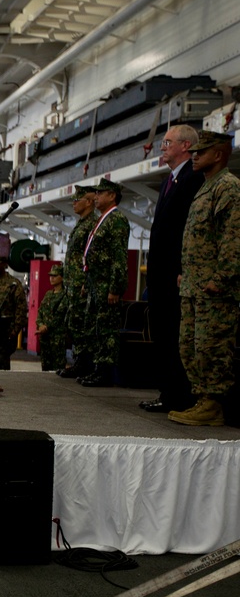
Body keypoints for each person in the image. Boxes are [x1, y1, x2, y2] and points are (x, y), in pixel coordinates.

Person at [168, 130, 240, 426]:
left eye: (202, 151)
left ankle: (213, 404)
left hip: (215, 290)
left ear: (219, 154)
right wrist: (187, 274)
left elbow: (233, 240)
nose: (194, 156)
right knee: (189, 345)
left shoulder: (229, 187)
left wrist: (220, 278)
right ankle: (203, 401)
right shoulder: (206, 187)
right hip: (194, 286)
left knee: (210, 346)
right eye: (194, 151)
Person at [139, 125, 204, 413]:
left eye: (167, 142)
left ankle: (177, 395)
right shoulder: (173, 179)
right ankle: (168, 392)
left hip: (175, 276)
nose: (162, 147)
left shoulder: (192, 178)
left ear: (186, 145)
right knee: (163, 336)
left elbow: (186, 231)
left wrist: (181, 269)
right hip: (161, 275)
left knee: (174, 336)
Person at [77, 178, 130, 387]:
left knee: (106, 329)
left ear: (112, 196)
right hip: (95, 283)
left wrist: (115, 288)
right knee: (97, 327)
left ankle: (105, 371)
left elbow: (119, 257)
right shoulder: (103, 219)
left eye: (100, 193)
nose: (96, 196)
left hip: (106, 285)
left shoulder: (116, 219)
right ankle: (96, 368)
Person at [58, 185, 98, 378]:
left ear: (89, 202)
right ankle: (78, 362)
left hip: (81, 285)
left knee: (82, 324)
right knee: (74, 323)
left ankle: (84, 364)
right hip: (72, 284)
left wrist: (84, 282)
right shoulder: (82, 224)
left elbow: (91, 257)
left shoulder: (92, 224)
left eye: (77, 200)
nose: (74, 203)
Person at [0, 257, 28, 370]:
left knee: (2, 362)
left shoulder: (14, 284)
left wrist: (14, 331)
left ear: (4, 265)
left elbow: (21, 310)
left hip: (6, 330)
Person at [35, 264, 68, 372]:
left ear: (62, 277)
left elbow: (59, 315)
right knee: (45, 367)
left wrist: (46, 327)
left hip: (57, 337)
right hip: (45, 337)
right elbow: (40, 311)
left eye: (55, 275)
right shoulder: (48, 294)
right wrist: (40, 325)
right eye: (50, 275)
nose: (51, 278)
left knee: (58, 368)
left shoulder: (65, 295)